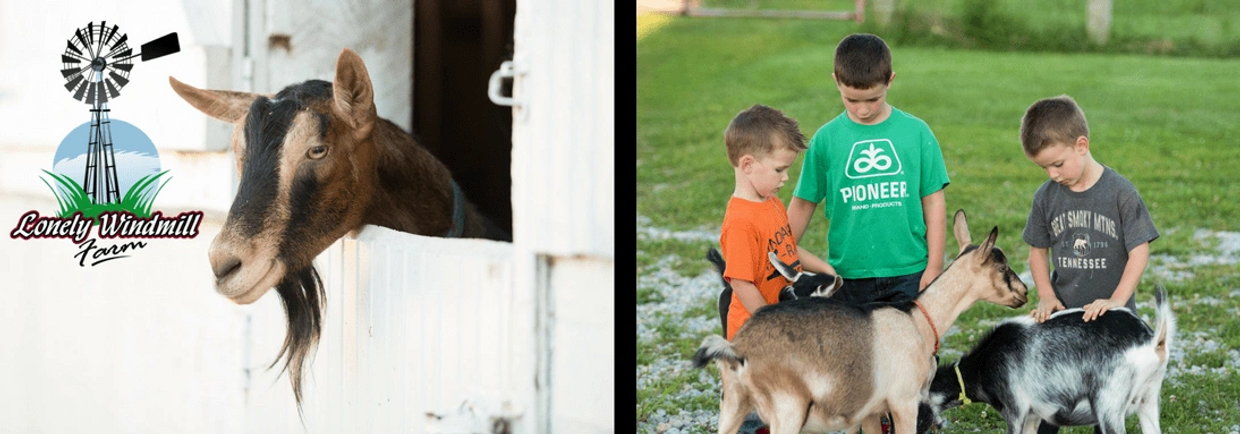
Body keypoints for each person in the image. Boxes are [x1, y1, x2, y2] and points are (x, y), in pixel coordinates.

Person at [1019, 95, 1160, 434]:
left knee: (1107, 399)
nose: (1052, 174)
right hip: (1065, 320)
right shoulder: (1046, 197)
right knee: (1049, 394)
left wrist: (1117, 299)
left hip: (1112, 325)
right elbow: (1037, 251)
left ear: (1081, 145)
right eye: (1044, 168)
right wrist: (1046, 295)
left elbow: (1139, 251)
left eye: (1057, 164)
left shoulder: (1120, 193)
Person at [788, 33, 950, 305]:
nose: (862, 110)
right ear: (836, 82)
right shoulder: (826, 140)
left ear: (890, 80)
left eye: (872, 99)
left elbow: (933, 202)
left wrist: (934, 266)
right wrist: (780, 248)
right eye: (852, 100)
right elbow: (804, 202)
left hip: (909, 272)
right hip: (848, 276)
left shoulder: (917, 133)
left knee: (912, 347)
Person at [718, 104, 833, 342]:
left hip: (782, 322)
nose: (786, 177)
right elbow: (742, 283)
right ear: (747, 164)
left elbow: (786, 248)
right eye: (779, 169)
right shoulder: (740, 221)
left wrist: (825, 270)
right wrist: (773, 323)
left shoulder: (772, 203)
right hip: (755, 334)